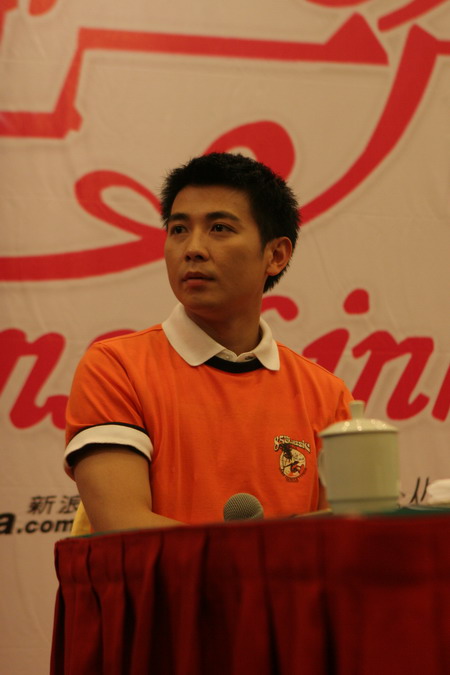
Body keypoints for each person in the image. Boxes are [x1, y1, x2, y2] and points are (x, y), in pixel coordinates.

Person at [65, 152, 352, 534]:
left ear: (276, 255)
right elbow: (123, 528)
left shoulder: (327, 396)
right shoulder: (116, 368)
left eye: (219, 228)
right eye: (179, 229)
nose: (193, 248)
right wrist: (257, 559)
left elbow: (343, 537)